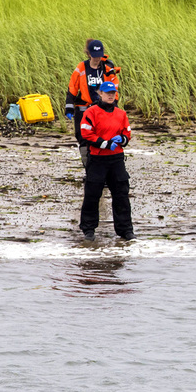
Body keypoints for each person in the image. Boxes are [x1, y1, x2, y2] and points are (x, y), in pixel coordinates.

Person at [78, 81, 134, 241]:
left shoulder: (121, 113)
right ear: (100, 94)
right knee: (92, 194)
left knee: (122, 194)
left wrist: (122, 139)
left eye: (113, 93)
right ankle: (88, 229)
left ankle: (126, 230)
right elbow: (86, 133)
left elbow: (127, 132)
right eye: (107, 93)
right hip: (97, 159)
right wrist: (105, 143)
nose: (111, 95)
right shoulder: (91, 112)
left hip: (116, 160)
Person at [65, 39, 120, 168]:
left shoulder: (107, 69)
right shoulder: (81, 68)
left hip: (102, 109)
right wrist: (69, 105)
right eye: (94, 56)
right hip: (84, 109)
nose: (97, 59)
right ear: (89, 54)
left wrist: (114, 106)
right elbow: (73, 86)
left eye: (99, 56)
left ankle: (103, 168)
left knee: (102, 137)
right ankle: (89, 168)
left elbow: (114, 89)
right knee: (83, 138)